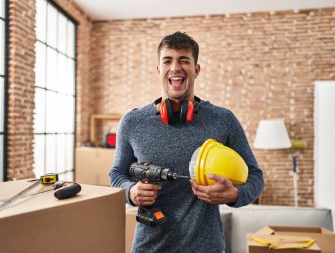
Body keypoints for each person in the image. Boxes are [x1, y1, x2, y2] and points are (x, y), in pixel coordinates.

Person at [109, 31, 264, 253]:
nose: (175, 68)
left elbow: (256, 177)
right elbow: (116, 175)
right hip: (149, 248)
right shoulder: (132, 122)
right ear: (158, 70)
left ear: (196, 69)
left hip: (206, 247)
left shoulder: (223, 120)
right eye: (167, 60)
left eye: (184, 60)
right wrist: (131, 191)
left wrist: (235, 195)